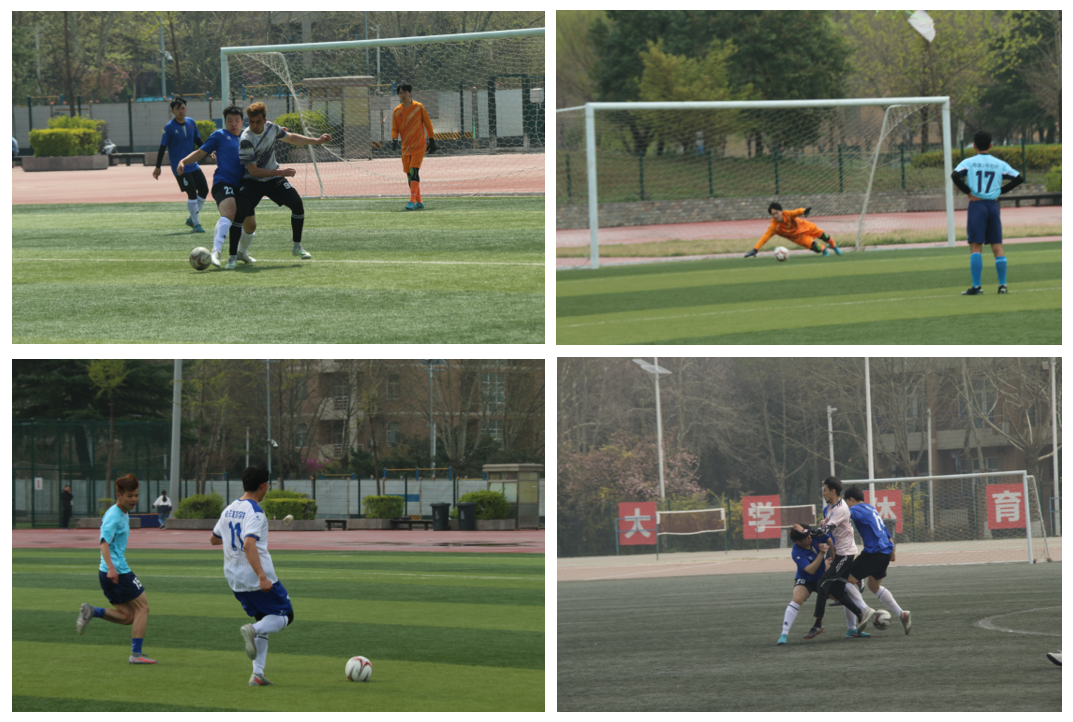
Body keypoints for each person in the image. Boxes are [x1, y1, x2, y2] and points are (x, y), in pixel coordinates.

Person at [211, 463, 294, 686]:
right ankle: (252, 630)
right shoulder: (256, 512)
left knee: (264, 618)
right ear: (263, 486)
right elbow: (249, 544)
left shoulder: (229, 509)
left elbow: (213, 539)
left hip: (234, 579)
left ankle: (257, 675)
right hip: (256, 577)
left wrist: (231, 537)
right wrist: (262, 576)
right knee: (286, 615)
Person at [229, 102, 329, 270]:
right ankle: (232, 257)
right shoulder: (246, 139)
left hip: (273, 180)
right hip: (252, 181)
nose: (254, 125)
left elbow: (291, 138)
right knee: (240, 214)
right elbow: (254, 171)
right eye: (251, 121)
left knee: (297, 204)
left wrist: (316, 141)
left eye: (258, 121)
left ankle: (297, 246)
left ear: (265, 120)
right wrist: (281, 172)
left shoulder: (272, 128)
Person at [76, 474, 156, 664]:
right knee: (143, 608)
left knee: (128, 617)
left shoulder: (121, 511)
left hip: (107, 572)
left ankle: (92, 611)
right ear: (119, 495)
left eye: (136, 495)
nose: (134, 499)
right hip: (117, 571)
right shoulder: (114, 515)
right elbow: (103, 543)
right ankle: (136, 655)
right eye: (129, 496)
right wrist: (112, 568)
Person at [792, 476, 876, 639]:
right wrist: (823, 524)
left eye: (825, 490)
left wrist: (804, 531)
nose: (823, 493)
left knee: (822, 583)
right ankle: (862, 614)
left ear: (833, 491)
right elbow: (826, 527)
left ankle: (818, 624)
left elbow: (824, 531)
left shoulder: (841, 509)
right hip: (842, 553)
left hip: (846, 554)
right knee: (837, 590)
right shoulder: (831, 507)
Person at [177, 104, 258, 268]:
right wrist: (183, 161)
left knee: (250, 226)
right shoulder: (219, 135)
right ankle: (216, 251)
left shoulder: (248, 137)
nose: (233, 124)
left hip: (243, 186)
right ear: (225, 122)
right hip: (224, 182)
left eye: (236, 120)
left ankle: (242, 253)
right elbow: (200, 152)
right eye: (229, 120)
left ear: (242, 122)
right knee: (229, 211)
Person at [951, 130, 1024, 295]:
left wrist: (968, 192)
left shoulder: (969, 162)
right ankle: (1002, 286)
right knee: (997, 245)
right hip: (993, 206)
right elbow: (1019, 178)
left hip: (977, 205)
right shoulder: (999, 163)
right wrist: (1000, 191)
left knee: (975, 246)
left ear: (974, 146)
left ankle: (977, 287)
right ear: (990, 145)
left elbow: (955, 175)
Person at [843, 485, 912, 634]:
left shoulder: (855, 509)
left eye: (847, 502)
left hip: (873, 553)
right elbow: (886, 532)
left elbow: (843, 514)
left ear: (851, 499)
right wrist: (892, 552)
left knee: (844, 582)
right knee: (874, 586)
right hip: (885, 552)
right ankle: (902, 614)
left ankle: (864, 612)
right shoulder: (871, 509)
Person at [778, 527, 864, 644]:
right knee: (797, 599)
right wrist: (822, 553)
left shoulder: (813, 537)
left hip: (822, 579)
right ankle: (784, 634)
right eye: (805, 537)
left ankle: (851, 629)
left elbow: (829, 540)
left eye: (809, 535)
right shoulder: (796, 552)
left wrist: (834, 560)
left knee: (845, 596)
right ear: (797, 541)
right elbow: (810, 570)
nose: (809, 537)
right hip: (806, 580)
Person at [153, 97, 210, 234]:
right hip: (180, 167)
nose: (181, 111)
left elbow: (198, 140)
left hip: (193, 164)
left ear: (186, 109)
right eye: (177, 109)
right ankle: (196, 223)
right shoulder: (169, 127)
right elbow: (162, 147)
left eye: (183, 108)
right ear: (172, 111)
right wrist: (158, 167)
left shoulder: (191, 122)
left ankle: (191, 218)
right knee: (191, 192)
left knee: (204, 190)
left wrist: (209, 152)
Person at [390, 83, 437, 211]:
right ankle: (419, 201)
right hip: (405, 147)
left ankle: (411, 201)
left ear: (410, 93)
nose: (403, 95)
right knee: (409, 175)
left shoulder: (418, 107)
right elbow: (395, 128)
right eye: (400, 93)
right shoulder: (397, 111)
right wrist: (394, 139)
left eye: (405, 92)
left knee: (414, 170)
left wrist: (432, 139)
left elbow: (427, 123)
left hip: (419, 145)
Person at [744, 203, 841, 258]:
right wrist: (755, 249)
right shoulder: (774, 227)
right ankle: (824, 249)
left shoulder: (787, 214)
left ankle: (833, 246)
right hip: (799, 238)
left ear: (781, 211)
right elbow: (765, 237)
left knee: (825, 236)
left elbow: (796, 212)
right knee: (817, 248)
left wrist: (804, 211)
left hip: (806, 226)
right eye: (773, 214)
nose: (775, 216)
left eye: (777, 213)